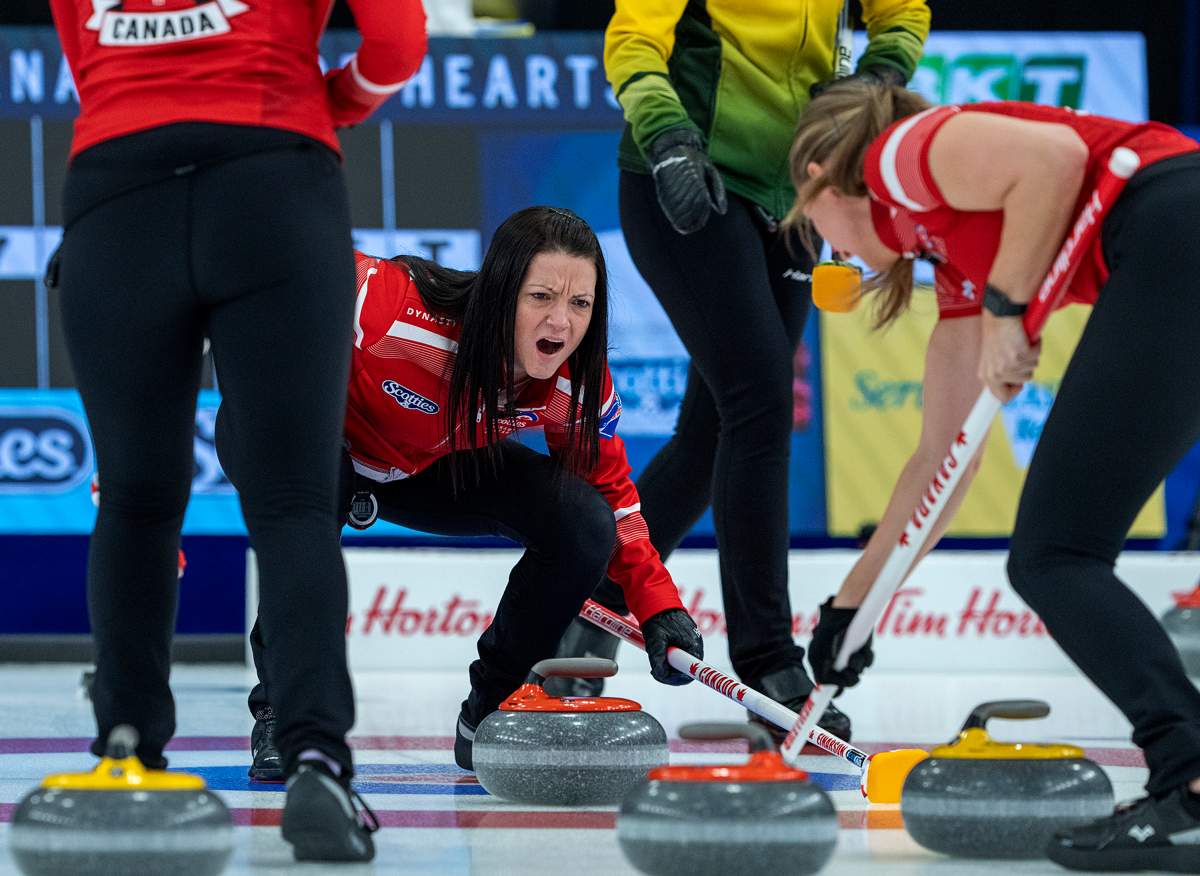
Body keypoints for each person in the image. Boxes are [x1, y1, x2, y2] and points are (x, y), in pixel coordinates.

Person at [47, 0, 427, 862]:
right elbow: (399, 39)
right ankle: (317, 759)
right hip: (275, 175)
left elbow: (83, 54)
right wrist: (335, 101)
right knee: (294, 498)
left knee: (137, 499)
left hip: (116, 187)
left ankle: (127, 750)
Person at [787, 81, 1200, 872]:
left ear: (817, 176)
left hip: (1171, 222)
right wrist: (854, 606)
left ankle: (1191, 777)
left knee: (1057, 556)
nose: (826, 248)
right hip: (1170, 243)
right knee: (1057, 554)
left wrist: (1011, 313)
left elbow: (1055, 157)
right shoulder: (950, 259)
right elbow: (941, 462)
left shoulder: (897, 159)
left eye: (811, 225)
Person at [548, 0, 931, 744]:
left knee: (713, 431)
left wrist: (876, 82)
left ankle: (591, 599)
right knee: (757, 403)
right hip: (688, 179)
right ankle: (767, 659)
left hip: (795, 197)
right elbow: (632, 40)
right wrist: (667, 140)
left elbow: (903, 12)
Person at [217, 207, 705, 777]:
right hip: (294, 436)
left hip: (420, 467)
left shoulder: (575, 382)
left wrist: (660, 606)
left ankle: (489, 715)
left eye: (580, 304)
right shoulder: (386, 306)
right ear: (500, 290)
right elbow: (262, 294)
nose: (561, 323)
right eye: (541, 296)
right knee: (320, 476)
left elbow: (616, 499)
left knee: (583, 523)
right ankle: (286, 713)